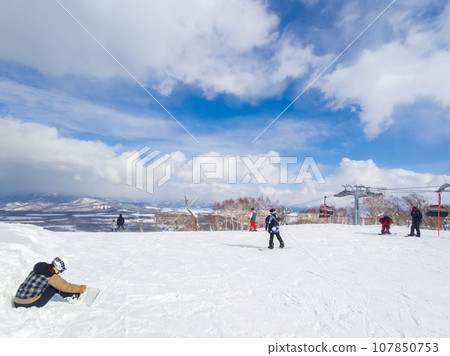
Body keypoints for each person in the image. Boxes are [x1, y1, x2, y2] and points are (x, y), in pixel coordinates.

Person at [14, 257, 86, 308]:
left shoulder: (36, 270)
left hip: (17, 302)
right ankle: (74, 296)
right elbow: (65, 286)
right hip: (29, 303)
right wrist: (83, 288)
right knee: (54, 287)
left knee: (51, 284)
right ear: (60, 269)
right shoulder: (52, 277)